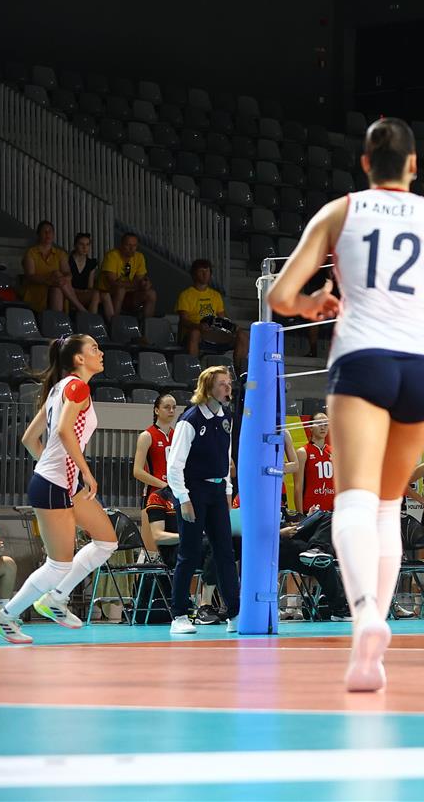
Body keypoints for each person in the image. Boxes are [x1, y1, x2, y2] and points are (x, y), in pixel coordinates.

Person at [267, 116, 424, 692]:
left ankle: (364, 621)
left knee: (354, 502)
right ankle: (373, 642)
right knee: (387, 506)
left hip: (362, 356)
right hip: (421, 362)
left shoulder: (340, 211)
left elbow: (280, 295)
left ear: (364, 164)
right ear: (413, 166)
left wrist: (313, 305)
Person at [0, 335, 116, 644]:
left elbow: (30, 439)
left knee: (106, 542)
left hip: (61, 482)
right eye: (94, 348)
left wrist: (56, 467)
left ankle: (56, 598)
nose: (100, 353)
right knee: (59, 564)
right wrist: (84, 471)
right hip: (55, 485)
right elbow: (64, 431)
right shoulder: (77, 387)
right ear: (79, 359)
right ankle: (5, 617)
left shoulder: (59, 388)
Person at [165, 366, 240, 635]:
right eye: (222, 384)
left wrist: (228, 490)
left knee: (225, 553)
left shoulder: (226, 417)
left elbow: (226, 457)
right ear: (208, 388)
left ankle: (234, 613)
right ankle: (179, 615)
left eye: (229, 383)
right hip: (193, 491)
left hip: (218, 492)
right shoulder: (190, 419)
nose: (228, 388)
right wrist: (183, 498)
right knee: (189, 553)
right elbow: (174, 465)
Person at [176, 258, 248, 368]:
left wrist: (233, 327)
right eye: (201, 271)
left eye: (207, 271)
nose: (205, 274)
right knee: (195, 333)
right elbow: (184, 320)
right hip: (195, 334)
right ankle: (193, 371)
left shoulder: (216, 295)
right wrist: (199, 326)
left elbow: (222, 318)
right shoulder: (185, 295)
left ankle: (240, 372)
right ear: (194, 274)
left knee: (242, 335)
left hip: (214, 333)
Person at [132, 393, 179, 561]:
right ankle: (141, 578)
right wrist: (164, 485)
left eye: (174, 407)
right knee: (150, 552)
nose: (171, 410)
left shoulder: (178, 436)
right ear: (156, 410)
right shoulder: (146, 436)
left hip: (175, 498)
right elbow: (137, 471)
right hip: (154, 496)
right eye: (167, 407)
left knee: (175, 550)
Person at [98, 232, 158, 318]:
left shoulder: (139, 257)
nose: (131, 248)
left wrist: (145, 285)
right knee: (120, 290)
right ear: (121, 245)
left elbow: (140, 281)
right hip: (109, 294)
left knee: (151, 293)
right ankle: (114, 322)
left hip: (130, 294)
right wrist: (135, 284)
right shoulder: (112, 255)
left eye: (134, 245)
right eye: (128, 245)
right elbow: (113, 282)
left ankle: (146, 324)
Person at [20, 220, 70, 313]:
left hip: (58, 287)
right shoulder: (31, 253)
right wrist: (49, 280)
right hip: (37, 290)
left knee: (57, 284)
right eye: (44, 231)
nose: (48, 234)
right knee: (57, 276)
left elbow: (68, 273)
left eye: (50, 231)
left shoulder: (61, 254)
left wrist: (61, 280)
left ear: (53, 234)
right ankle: (79, 308)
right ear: (39, 234)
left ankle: (58, 318)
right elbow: (30, 276)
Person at [294, 412, 335, 514]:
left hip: (332, 511)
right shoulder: (303, 452)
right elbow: (298, 487)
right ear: (311, 427)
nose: (323, 427)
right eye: (319, 424)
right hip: (310, 511)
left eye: (326, 424)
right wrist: (300, 515)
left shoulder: (335, 452)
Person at [66, 232, 101, 313]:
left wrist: (88, 291)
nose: (85, 247)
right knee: (96, 294)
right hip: (69, 294)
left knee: (98, 294)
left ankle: (92, 318)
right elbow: (66, 285)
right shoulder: (67, 261)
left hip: (83, 294)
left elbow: (90, 286)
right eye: (81, 244)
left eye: (87, 244)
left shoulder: (91, 263)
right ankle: (90, 318)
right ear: (75, 245)